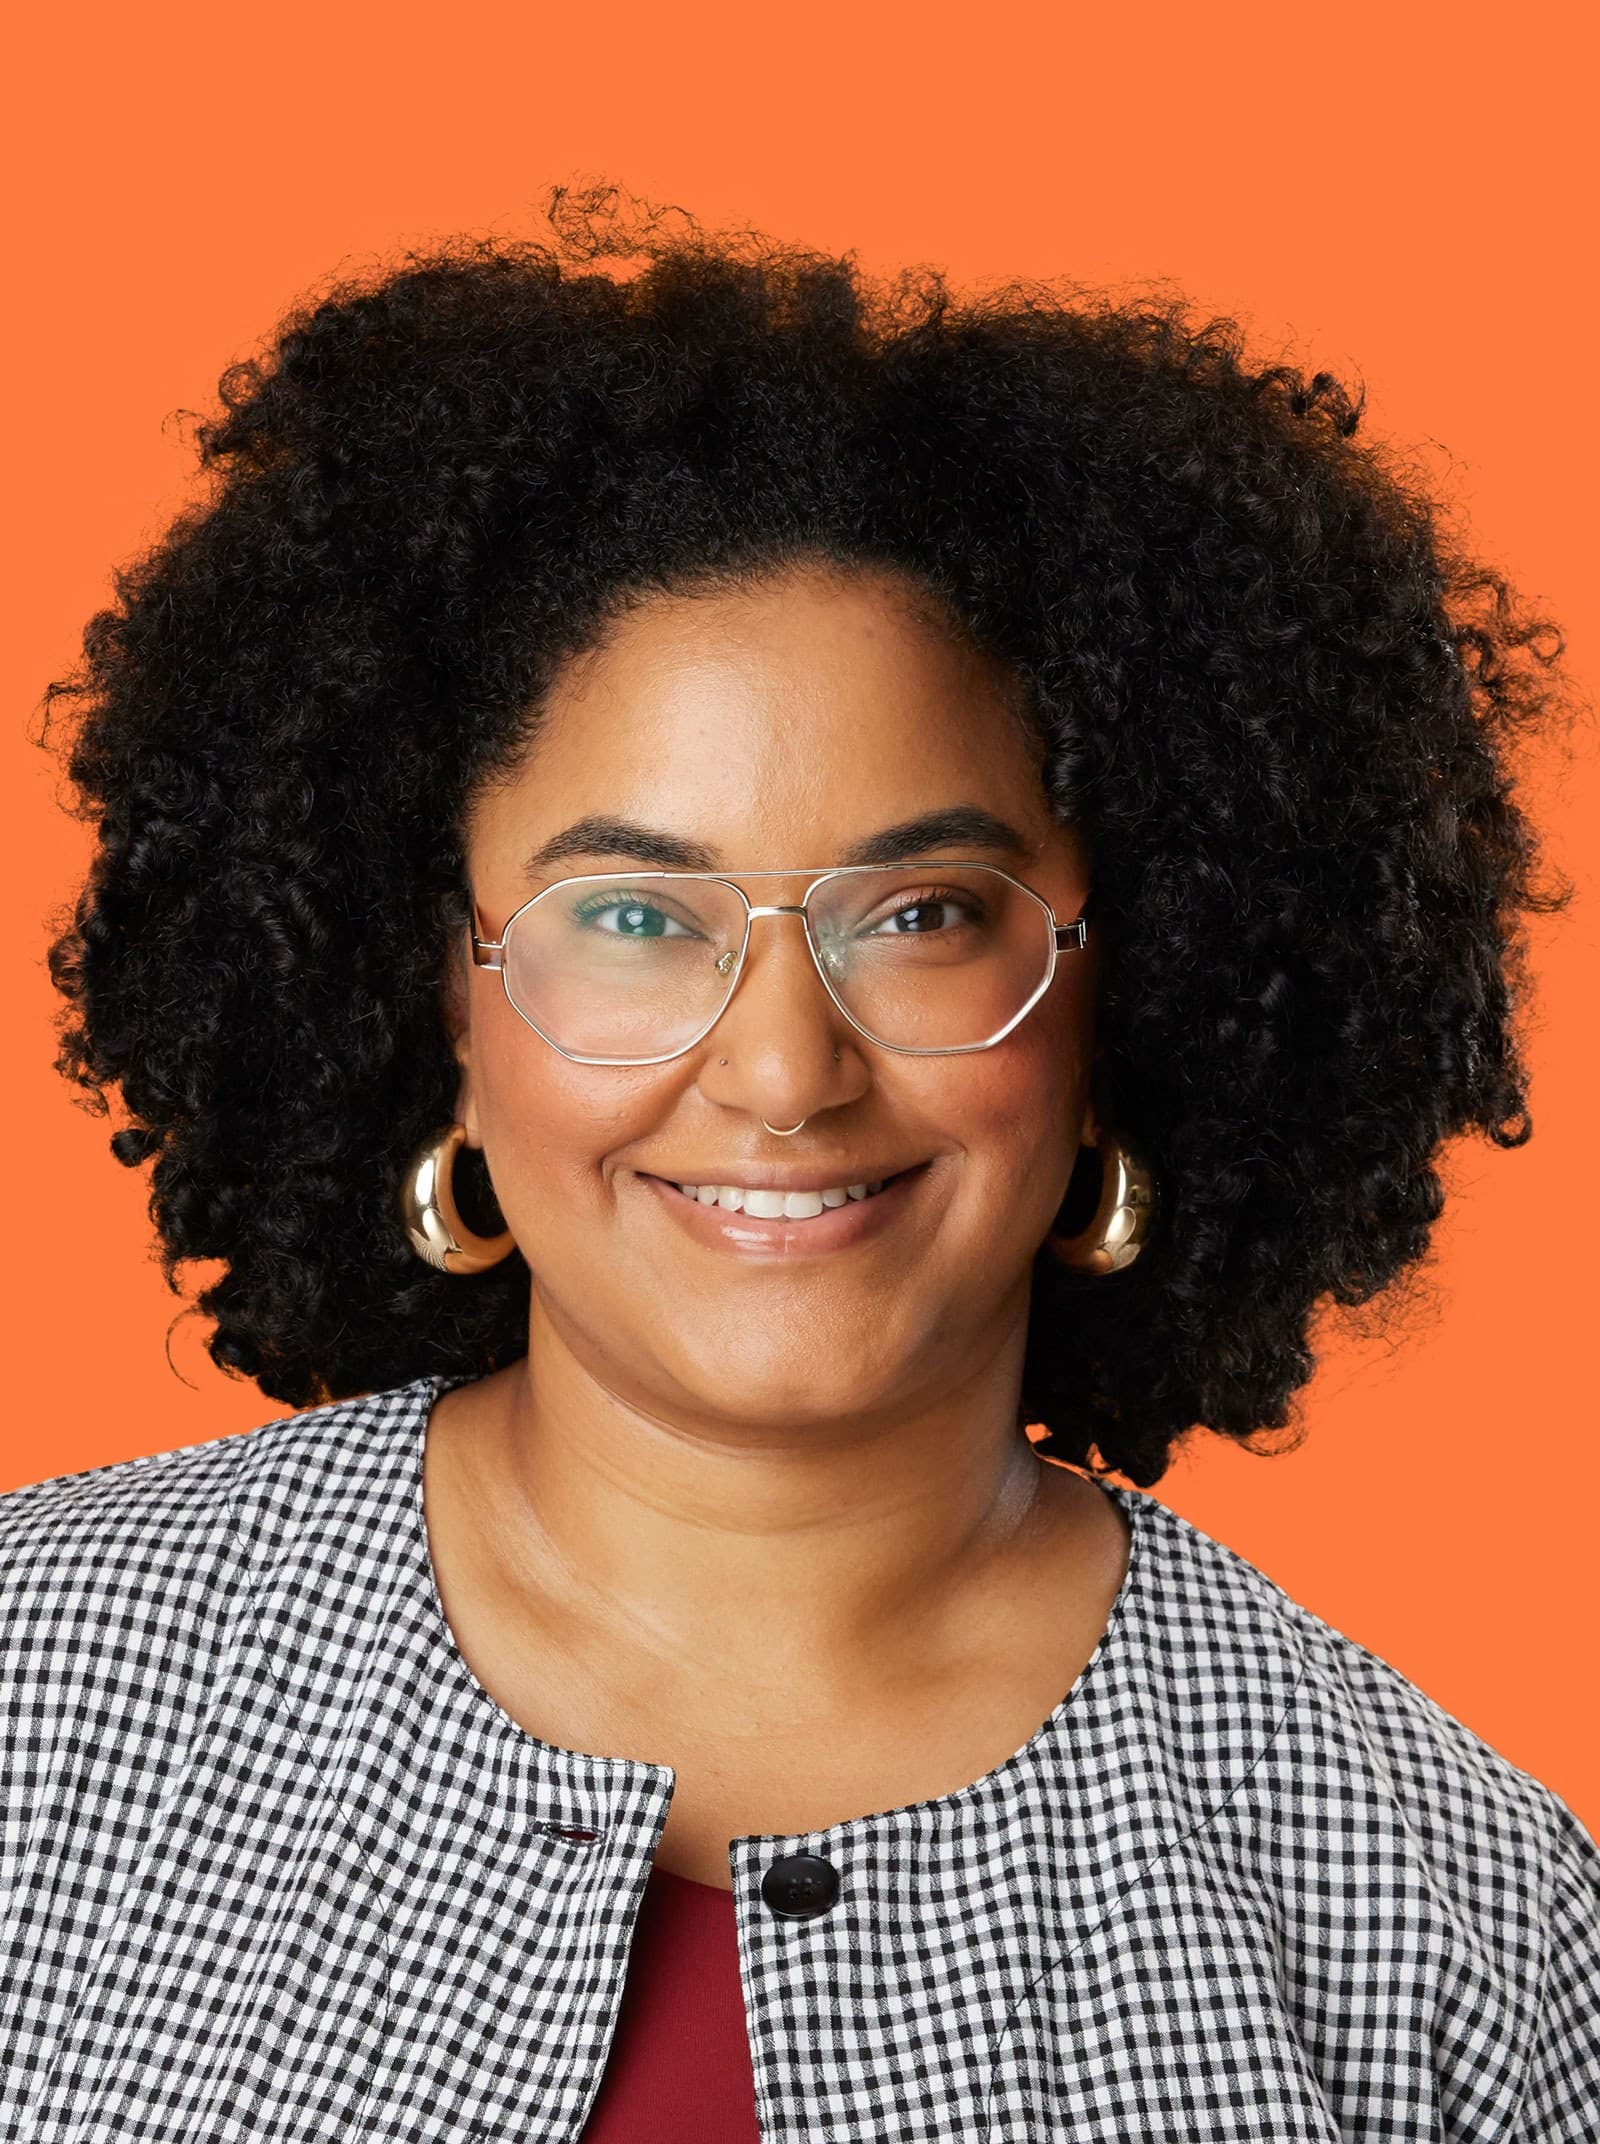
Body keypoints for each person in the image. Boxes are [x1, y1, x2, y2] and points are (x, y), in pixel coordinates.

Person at [5, 183, 1595, 2139]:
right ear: (436, 994)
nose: (778, 1068)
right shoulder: (41, 1696)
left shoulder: (1451, 1920)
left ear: (1136, 990)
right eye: (630, 914)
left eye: (922, 910)